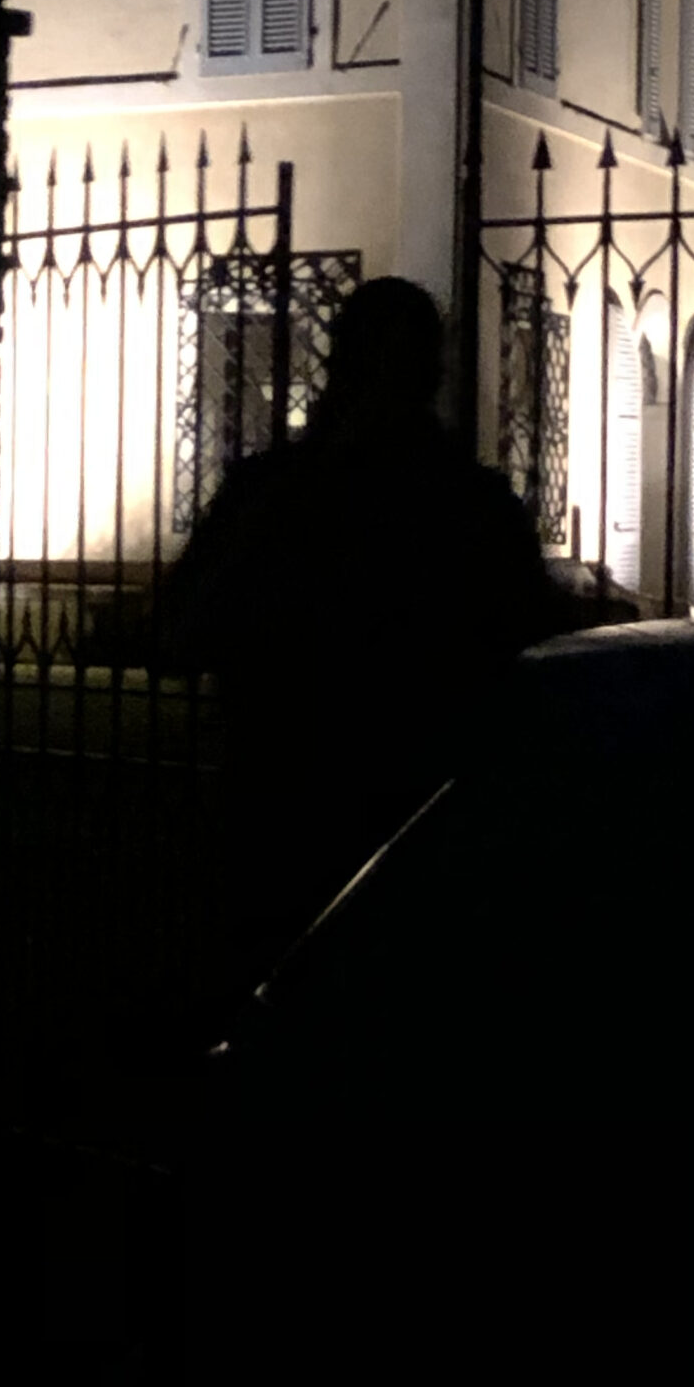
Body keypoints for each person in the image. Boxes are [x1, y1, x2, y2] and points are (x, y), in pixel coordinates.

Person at [162, 277, 562, 1017]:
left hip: (279, 799)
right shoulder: (472, 509)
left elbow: (184, 625)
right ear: (433, 377)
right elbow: (528, 653)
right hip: (422, 810)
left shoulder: (268, 496)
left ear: (335, 365)